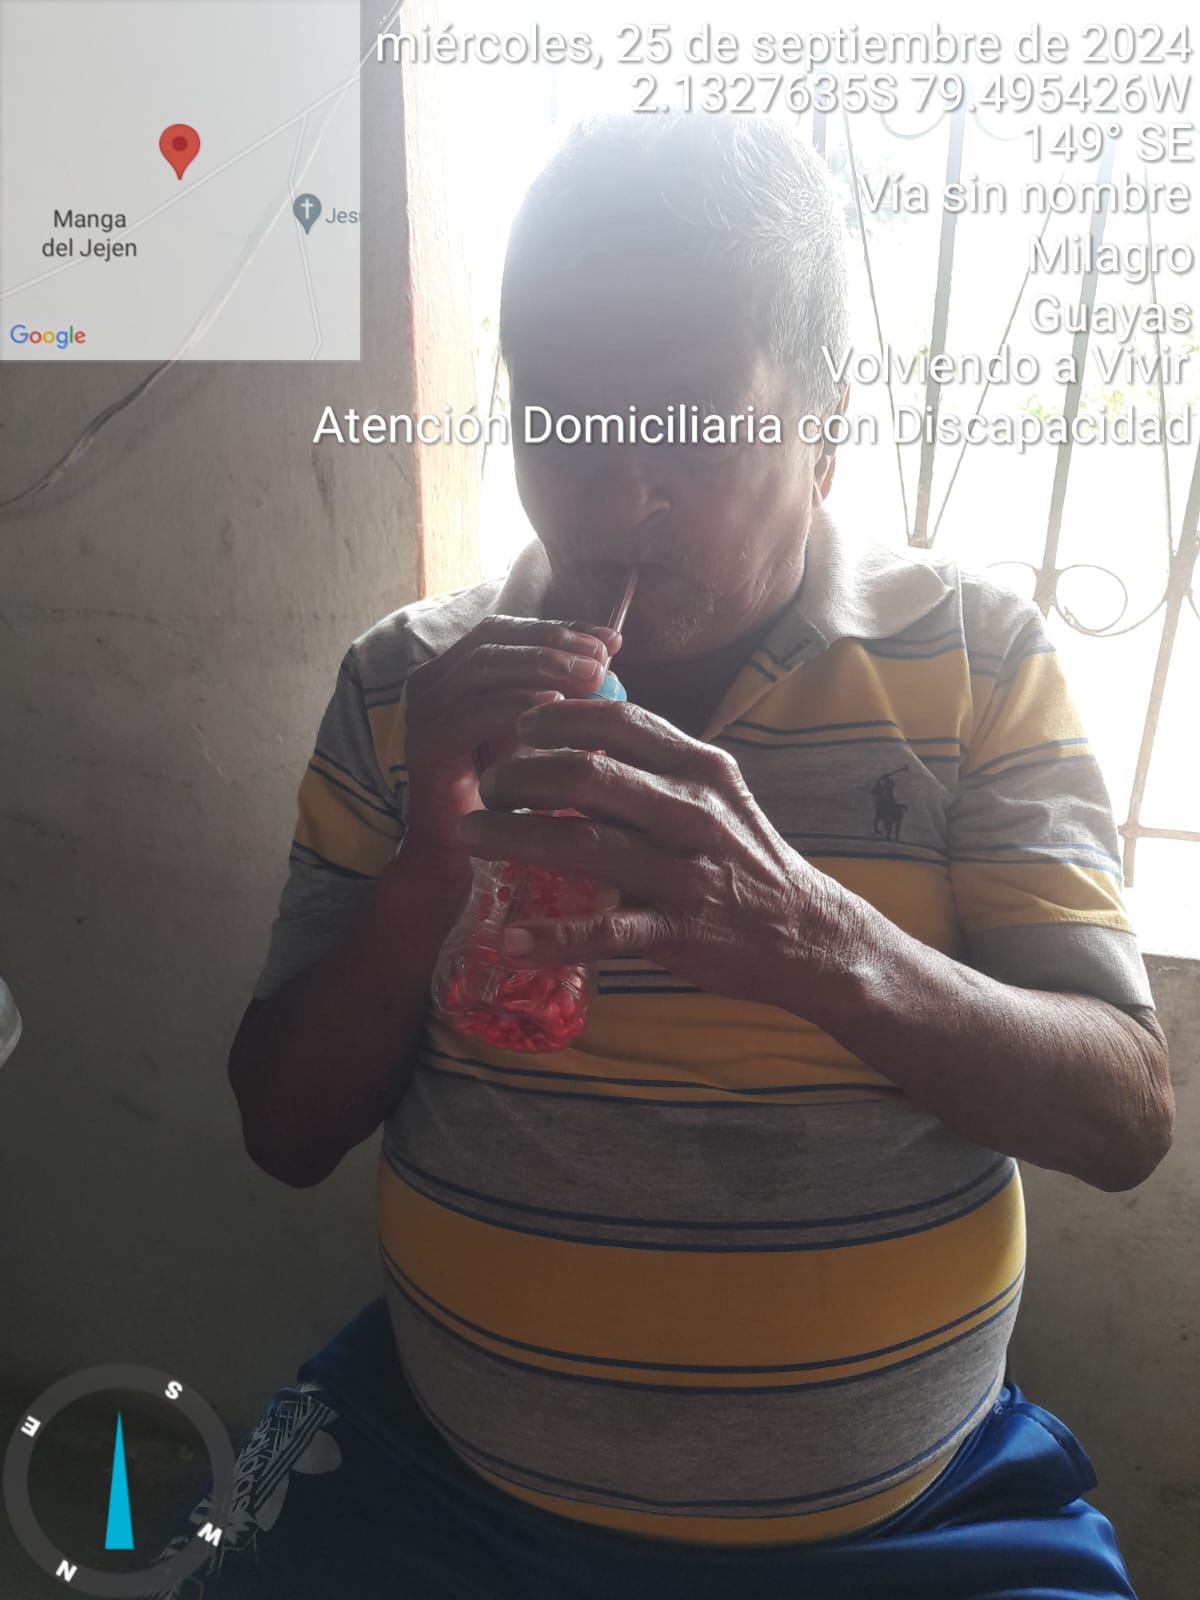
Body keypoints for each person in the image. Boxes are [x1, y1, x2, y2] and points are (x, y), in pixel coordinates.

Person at [157, 114, 1173, 1599]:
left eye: (693, 421)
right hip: (444, 1491)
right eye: (558, 417)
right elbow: (286, 1131)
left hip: (918, 1523)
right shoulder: (406, 685)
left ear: (828, 427)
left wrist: (820, 943)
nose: (616, 493)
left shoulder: (979, 662)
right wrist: (430, 871)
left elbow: (1124, 1119)